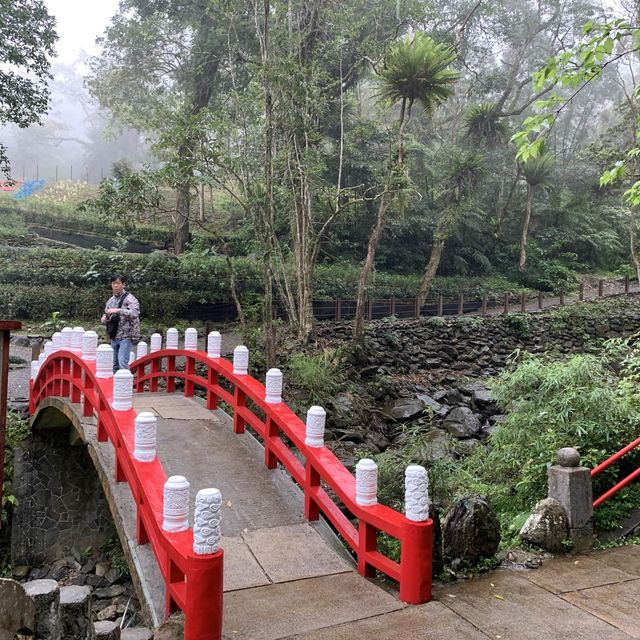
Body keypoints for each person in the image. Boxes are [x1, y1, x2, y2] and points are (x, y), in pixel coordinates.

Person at [101, 274, 140, 373]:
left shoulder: (130, 298)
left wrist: (118, 310)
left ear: (123, 284)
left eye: (118, 283)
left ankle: (125, 387)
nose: (116, 286)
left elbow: (135, 313)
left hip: (126, 335)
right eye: (114, 283)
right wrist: (106, 318)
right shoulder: (110, 300)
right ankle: (115, 387)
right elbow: (105, 317)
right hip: (114, 335)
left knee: (122, 363)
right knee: (114, 365)